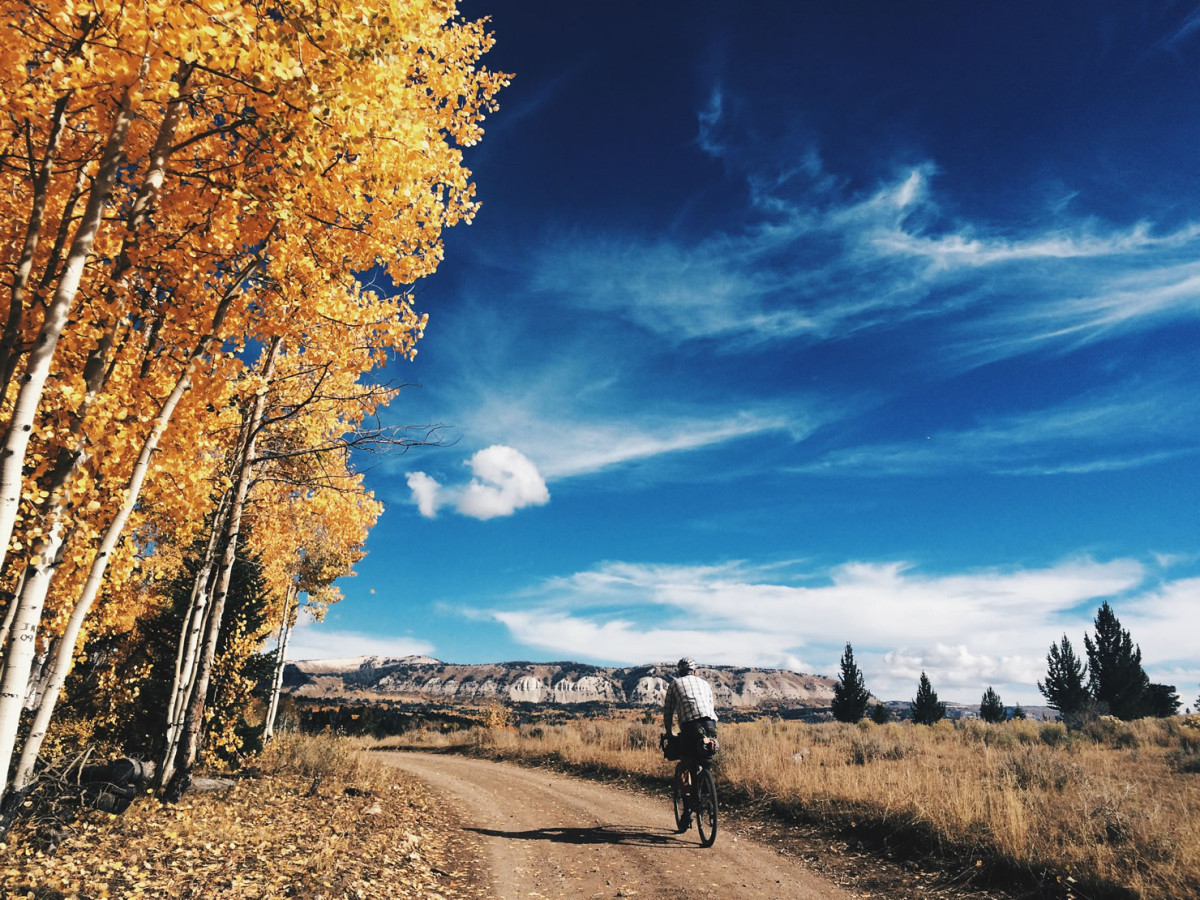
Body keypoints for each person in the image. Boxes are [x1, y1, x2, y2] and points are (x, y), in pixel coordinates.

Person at [663, 657, 718, 821]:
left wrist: (669, 731)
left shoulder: (674, 684)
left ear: (680, 672)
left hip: (689, 726)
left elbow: (668, 711)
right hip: (710, 724)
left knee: (686, 764)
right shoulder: (705, 684)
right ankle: (707, 793)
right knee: (705, 757)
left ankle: (687, 809)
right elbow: (710, 706)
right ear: (694, 671)